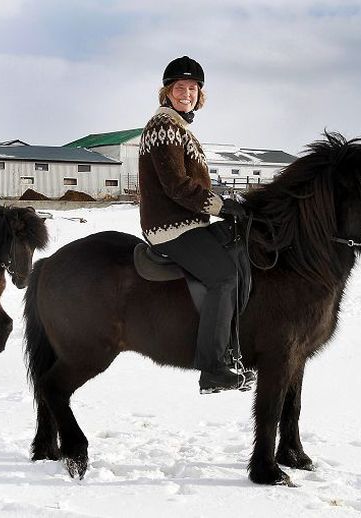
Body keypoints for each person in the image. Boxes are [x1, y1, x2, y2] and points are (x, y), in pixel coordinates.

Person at [138, 56, 255, 393]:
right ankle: (213, 368)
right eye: (180, 88)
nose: (186, 93)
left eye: (192, 88)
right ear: (167, 92)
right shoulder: (164, 125)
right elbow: (176, 185)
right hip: (171, 228)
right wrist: (220, 205)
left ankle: (235, 352)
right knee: (223, 276)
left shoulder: (180, 126)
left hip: (190, 222)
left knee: (239, 254)